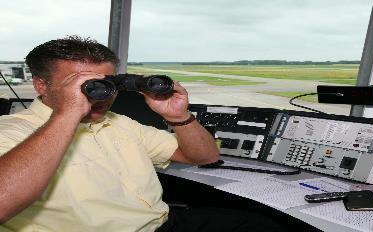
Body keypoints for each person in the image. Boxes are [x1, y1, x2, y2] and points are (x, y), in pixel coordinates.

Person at [0, 36, 286, 232]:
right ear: (41, 85)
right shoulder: (11, 131)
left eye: (105, 84)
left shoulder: (119, 123)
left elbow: (205, 155)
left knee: (262, 224)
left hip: (160, 223)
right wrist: (68, 113)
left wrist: (179, 117)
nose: (99, 97)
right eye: (84, 85)